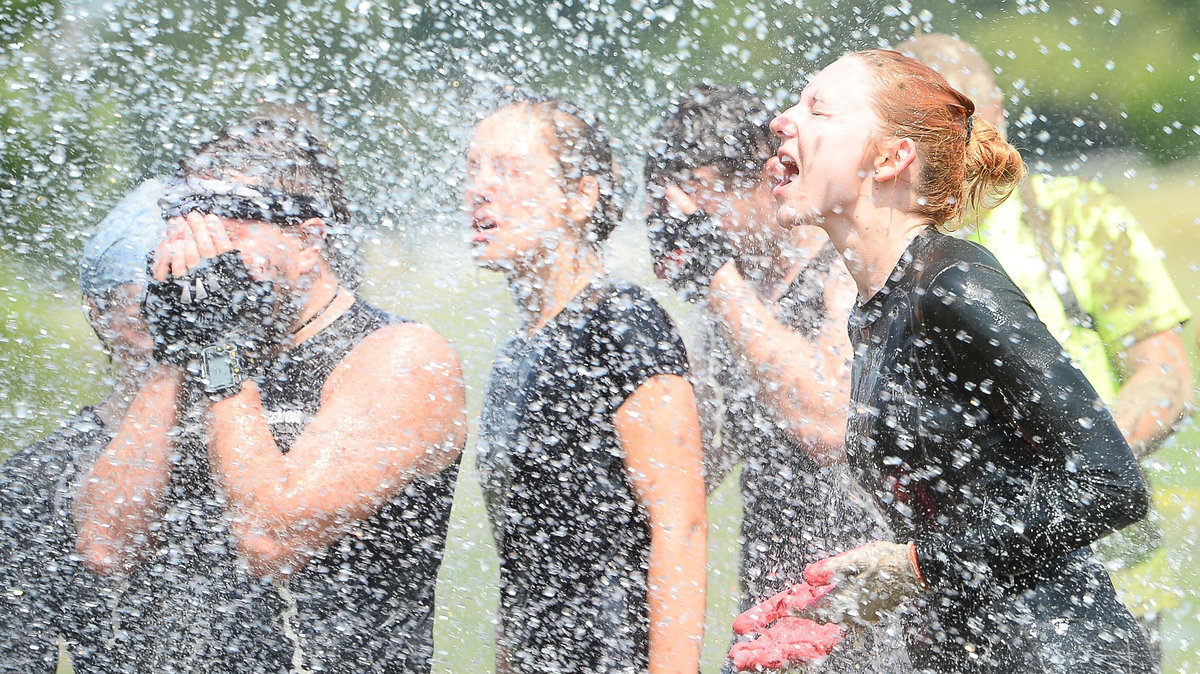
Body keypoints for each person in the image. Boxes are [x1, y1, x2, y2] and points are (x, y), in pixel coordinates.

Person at [746, 49, 1153, 672]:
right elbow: (959, 513)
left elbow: (1112, 485)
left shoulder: (956, 284)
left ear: (889, 158)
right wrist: (848, 603)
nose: (781, 120)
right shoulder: (878, 304)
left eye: (817, 108)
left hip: (1059, 653)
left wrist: (915, 566)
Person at [71, 117, 466, 672]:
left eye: (226, 220)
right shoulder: (204, 349)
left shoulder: (400, 356)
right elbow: (104, 544)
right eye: (183, 217)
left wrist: (220, 347)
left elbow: (270, 538)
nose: (196, 245)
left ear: (306, 239)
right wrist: (174, 351)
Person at [898, 34, 1194, 666]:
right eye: (937, 129)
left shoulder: (1075, 217)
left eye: (970, 119)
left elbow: (1164, 371)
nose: (961, 143)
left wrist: (1081, 459)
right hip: (949, 586)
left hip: (1110, 581)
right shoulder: (878, 251)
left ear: (999, 114)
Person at [644, 84, 906, 672]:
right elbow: (697, 470)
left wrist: (717, 279)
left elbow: (831, 422)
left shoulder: (847, 268)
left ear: (764, 178)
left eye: (698, 203)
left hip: (876, 616)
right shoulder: (739, 301)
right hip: (778, 616)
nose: (686, 228)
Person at [467, 98, 707, 673]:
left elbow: (681, 525)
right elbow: (521, 560)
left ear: (580, 196)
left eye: (508, 169)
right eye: (472, 168)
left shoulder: (624, 323)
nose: (479, 187)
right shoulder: (513, 355)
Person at [0, 178, 166, 671]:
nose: (180, 312)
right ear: (102, 313)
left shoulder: (269, 450)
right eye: (155, 295)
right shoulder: (36, 479)